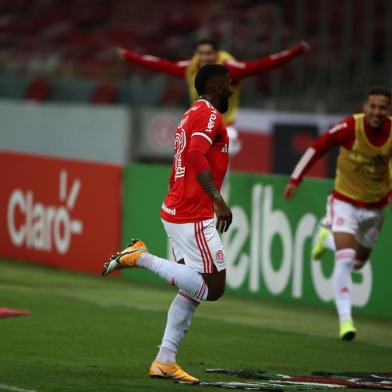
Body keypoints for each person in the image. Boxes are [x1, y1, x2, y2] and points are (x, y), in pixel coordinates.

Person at [102, 64, 233, 382]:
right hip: (193, 212)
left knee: (191, 291)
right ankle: (140, 257)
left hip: (179, 208)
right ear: (216, 87)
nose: (232, 90)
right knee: (212, 289)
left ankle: (164, 361)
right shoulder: (210, 115)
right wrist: (217, 199)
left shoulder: (192, 114)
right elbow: (195, 156)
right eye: (228, 85)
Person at [117, 38, 310, 199]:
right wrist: (128, 56)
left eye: (209, 54)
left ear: (217, 55)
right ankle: (186, 191)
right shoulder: (191, 69)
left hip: (225, 126)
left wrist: (297, 51)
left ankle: (221, 192)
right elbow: (158, 64)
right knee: (190, 154)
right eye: (201, 54)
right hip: (199, 124)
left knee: (227, 142)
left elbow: (264, 64)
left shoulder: (230, 71)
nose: (205, 58)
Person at [284, 86, 392, 341]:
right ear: (365, 107)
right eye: (373, 106)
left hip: (375, 208)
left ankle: (326, 239)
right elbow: (317, 147)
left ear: (387, 110)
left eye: (382, 108)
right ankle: (346, 321)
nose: (376, 112)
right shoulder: (348, 128)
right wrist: (295, 178)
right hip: (345, 202)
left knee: (358, 262)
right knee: (346, 260)